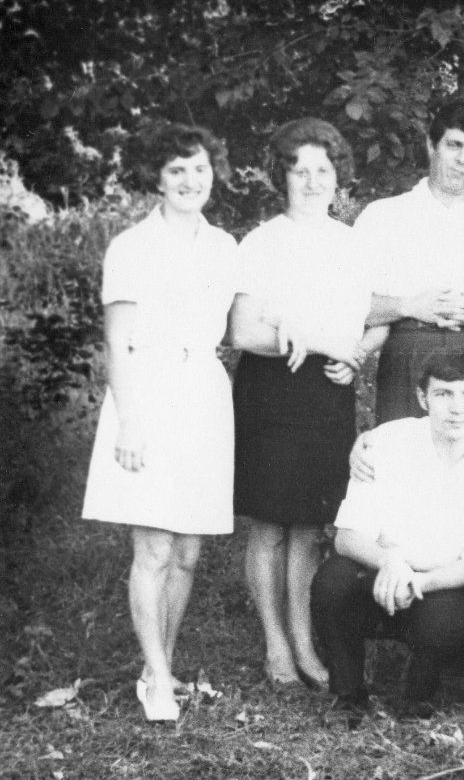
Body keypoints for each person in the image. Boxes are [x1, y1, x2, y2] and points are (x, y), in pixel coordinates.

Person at [81, 124, 237, 722]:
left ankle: (158, 669)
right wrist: (129, 423)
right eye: (176, 170)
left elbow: (240, 322)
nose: (190, 181)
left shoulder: (223, 245)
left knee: (189, 551)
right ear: (157, 178)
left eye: (199, 168)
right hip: (147, 394)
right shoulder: (131, 247)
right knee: (154, 547)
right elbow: (116, 343)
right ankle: (161, 680)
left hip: (203, 395)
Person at [229, 118, 373, 690]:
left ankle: (305, 641)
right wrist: (317, 340)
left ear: (339, 177)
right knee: (269, 524)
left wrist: (351, 356)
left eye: (323, 170)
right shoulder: (262, 242)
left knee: (310, 525)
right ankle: (275, 644)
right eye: (299, 170)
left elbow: (359, 325)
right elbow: (244, 331)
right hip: (271, 388)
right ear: (281, 176)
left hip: (326, 391)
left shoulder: (351, 243)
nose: (312, 182)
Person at [312, 352, 464, 724]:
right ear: (422, 398)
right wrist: (391, 562)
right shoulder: (388, 441)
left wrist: (419, 582)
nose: (456, 408)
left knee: (444, 621)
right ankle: (348, 694)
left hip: (441, 583)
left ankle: (418, 697)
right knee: (332, 581)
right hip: (382, 570)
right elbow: (347, 536)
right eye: (443, 394)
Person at [353, 101, 464, 423]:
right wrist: (407, 306)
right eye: (453, 145)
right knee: (403, 450)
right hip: (408, 353)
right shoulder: (383, 216)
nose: (462, 159)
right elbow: (349, 305)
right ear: (431, 145)